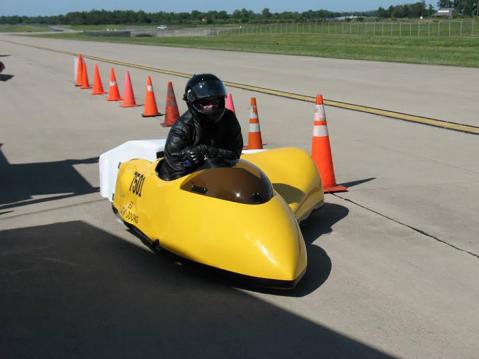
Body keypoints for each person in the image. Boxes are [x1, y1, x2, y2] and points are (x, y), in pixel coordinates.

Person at [158, 74, 243, 180]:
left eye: (215, 101)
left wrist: (204, 151)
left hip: (219, 175)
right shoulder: (182, 128)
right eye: (205, 102)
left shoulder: (229, 118)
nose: (211, 106)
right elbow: (174, 169)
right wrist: (188, 160)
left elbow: (235, 154)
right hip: (190, 180)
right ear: (193, 103)